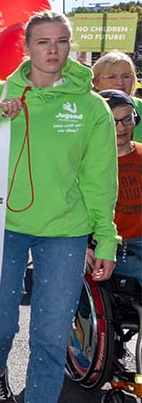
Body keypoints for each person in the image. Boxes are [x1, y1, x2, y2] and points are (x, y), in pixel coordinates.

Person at [0, 11, 117, 403]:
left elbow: (99, 180)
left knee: (51, 339)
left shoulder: (91, 107)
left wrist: (105, 238)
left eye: (62, 41)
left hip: (65, 232)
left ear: (71, 45)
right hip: (2, 226)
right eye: (43, 42)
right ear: (26, 48)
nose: (53, 50)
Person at [90, 90, 141, 287]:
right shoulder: (87, 163)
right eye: (113, 121)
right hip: (110, 247)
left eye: (127, 119)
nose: (121, 128)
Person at [92, 51, 142, 142]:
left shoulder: (140, 107)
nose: (120, 82)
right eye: (112, 77)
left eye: (126, 76)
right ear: (95, 82)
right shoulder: (85, 109)